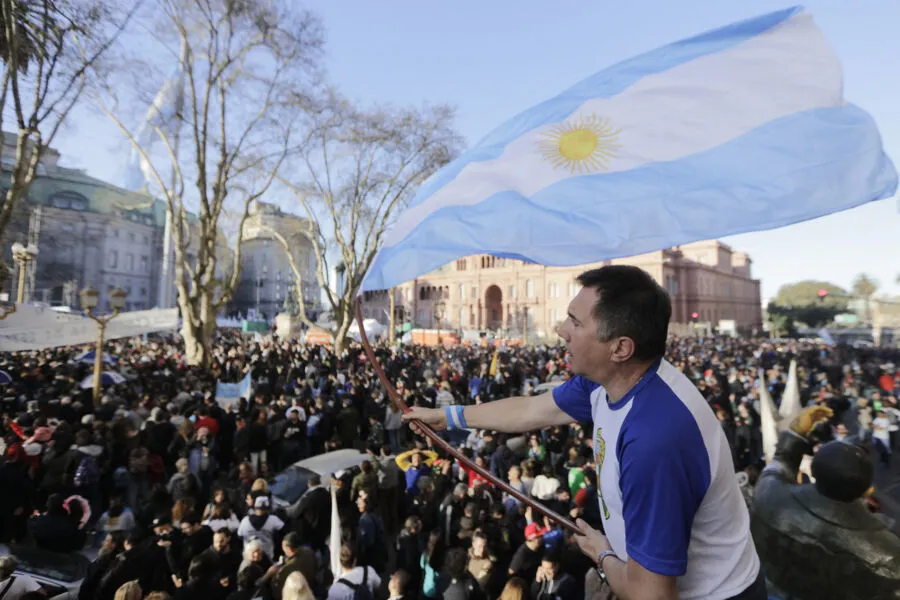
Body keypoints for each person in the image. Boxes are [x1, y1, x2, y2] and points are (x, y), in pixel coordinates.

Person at [405, 266, 764, 600]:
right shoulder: (608, 381)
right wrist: (447, 416)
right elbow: (532, 409)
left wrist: (603, 553)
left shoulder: (655, 440)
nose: (562, 331)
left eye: (575, 322)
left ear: (620, 348)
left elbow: (652, 594)